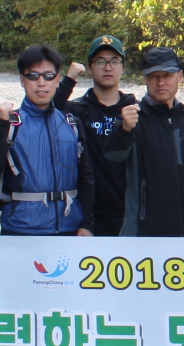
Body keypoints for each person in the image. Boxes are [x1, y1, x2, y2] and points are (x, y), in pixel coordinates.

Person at [0, 44, 92, 236]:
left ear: (57, 80)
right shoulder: (8, 123)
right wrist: (0, 126)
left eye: (48, 76)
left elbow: (87, 179)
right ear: (22, 80)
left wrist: (87, 223)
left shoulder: (71, 124)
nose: (41, 83)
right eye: (33, 76)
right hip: (20, 229)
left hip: (68, 228)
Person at [108, 47, 184, 238]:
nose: (161, 82)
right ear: (144, 78)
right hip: (144, 233)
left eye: (167, 75)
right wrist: (124, 130)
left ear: (179, 76)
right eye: (154, 76)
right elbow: (112, 156)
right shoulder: (133, 119)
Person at [52, 35, 138, 236]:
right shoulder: (77, 110)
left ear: (123, 68)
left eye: (114, 61)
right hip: (86, 213)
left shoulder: (135, 111)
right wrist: (69, 79)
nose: (108, 68)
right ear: (90, 67)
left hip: (127, 211)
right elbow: (48, 111)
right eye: (100, 62)